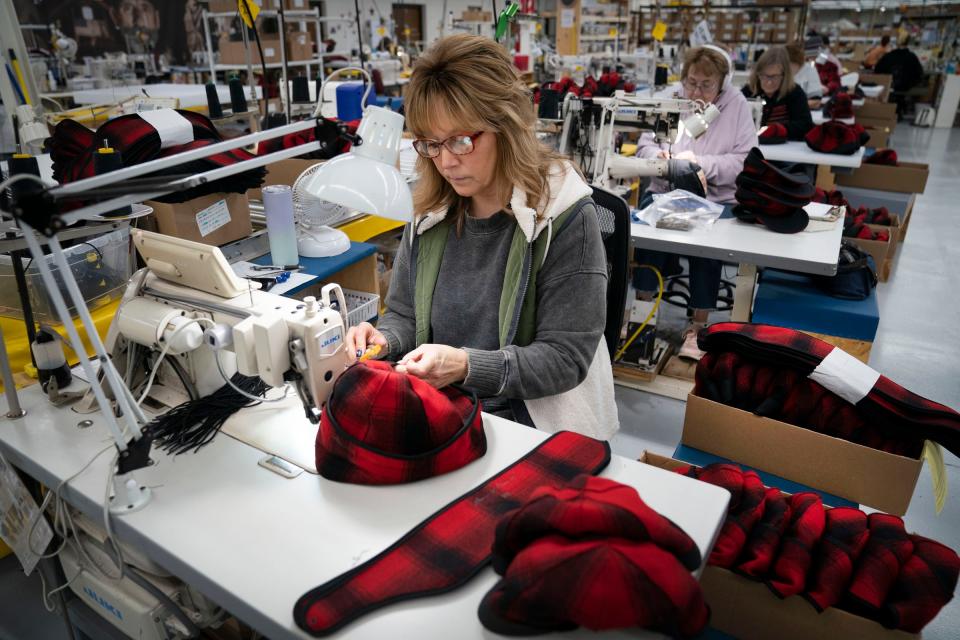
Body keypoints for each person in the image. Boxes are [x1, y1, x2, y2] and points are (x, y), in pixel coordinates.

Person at [345, 34, 618, 439]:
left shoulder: (564, 214)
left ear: (505, 125)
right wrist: (383, 339)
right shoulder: (430, 212)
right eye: (431, 144)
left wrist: (466, 366)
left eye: (461, 140)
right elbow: (404, 314)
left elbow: (566, 359)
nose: (447, 160)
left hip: (533, 425)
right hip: (447, 410)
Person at [634, 44, 758, 360]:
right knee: (649, 241)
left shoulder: (736, 106)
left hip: (714, 196)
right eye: (691, 82)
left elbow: (746, 160)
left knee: (707, 249)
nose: (696, 91)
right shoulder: (674, 98)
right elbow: (644, 144)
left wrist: (700, 164)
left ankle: (697, 327)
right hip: (665, 190)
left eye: (706, 85)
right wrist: (659, 158)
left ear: (723, 83)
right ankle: (641, 317)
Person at [743, 46, 814, 141]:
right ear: (757, 74)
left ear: (784, 76)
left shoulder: (795, 93)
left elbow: (805, 126)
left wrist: (779, 130)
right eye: (764, 76)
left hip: (783, 150)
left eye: (774, 77)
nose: (769, 82)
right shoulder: (748, 92)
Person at [875, 35, 925, 119]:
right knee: (900, 93)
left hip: (888, 86)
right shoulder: (912, 57)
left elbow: (877, 70)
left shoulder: (888, 56)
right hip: (905, 86)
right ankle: (899, 110)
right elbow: (919, 73)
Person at [786, 42, 823, 109]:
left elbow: (816, 102)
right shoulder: (780, 71)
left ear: (797, 62)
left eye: (788, 64)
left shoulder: (810, 71)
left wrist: (790, 106)